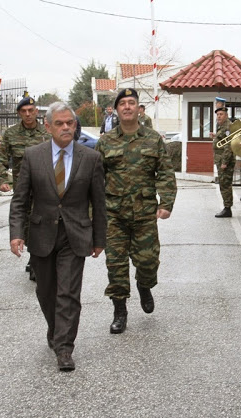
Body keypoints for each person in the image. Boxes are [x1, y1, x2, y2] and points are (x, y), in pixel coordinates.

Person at [9, 102, 106, 372]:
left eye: (70, 123)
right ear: (48, 126)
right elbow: (20, 200)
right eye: (60, 123)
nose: (66, 127)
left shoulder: (91, 158)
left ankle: (64, 348)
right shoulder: (32, 156)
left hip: (75, 235)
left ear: (75, 126)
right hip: (41, 233)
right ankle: (54, 330)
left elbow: (99, 202)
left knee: (68, 293)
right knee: (46, 291)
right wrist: (16, 234)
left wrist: (99, 239)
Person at [95, 88, 177, 334]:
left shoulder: (153, 139)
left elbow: (165, 172)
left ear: (139, 108)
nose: (128, 107)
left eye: (132, 102)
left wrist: (166, 203)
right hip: (114, 215)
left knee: (148, 262)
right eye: (123, 103)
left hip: (144, 214)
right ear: (116, 109)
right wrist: (93, 213)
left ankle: (144, 284)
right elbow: (95, 179)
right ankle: (120, 311)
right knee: (116, 265)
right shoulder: (105, 141)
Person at [0, 96, 49, 279]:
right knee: (26, 224)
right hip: (23, 189)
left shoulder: (47, 133)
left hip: (45, 189)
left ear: (36, 112)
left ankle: (36, 260)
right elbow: (1, 158)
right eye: (23, 111)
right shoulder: (10, 134)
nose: (27, 114)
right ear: (19, 113)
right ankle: (34, 256)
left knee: (41, 224)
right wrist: (2, 179)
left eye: (30, 111)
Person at [212, 107, 235, 217]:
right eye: (218, 115)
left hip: (225, 161)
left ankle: (227, 208)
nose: (219, 116)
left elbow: (228, 146)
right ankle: (227, 207)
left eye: (221, 114)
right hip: (220, 159)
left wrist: (224, 162)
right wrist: (216, 136)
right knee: (223, 184)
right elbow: (222, 140)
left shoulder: (228, 127)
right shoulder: (222, 127)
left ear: (226, 115)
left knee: (225, 184)